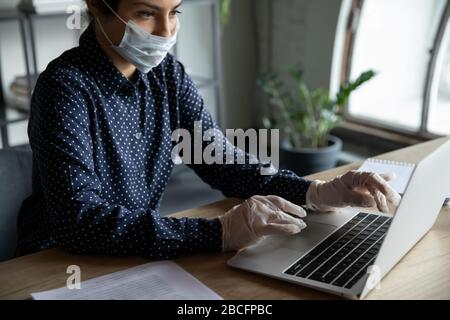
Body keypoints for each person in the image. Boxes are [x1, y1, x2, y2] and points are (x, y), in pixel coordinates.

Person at [17, 0, 400, 258]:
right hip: (59, 261)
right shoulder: (64, 88)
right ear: (96, 6)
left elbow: (219, 158)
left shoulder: (167, 74)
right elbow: (80, 221)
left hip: (134, 251)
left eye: (175, 11)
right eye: (147, 13)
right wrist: (217, 232)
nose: (166, 32)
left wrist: (314, 191)